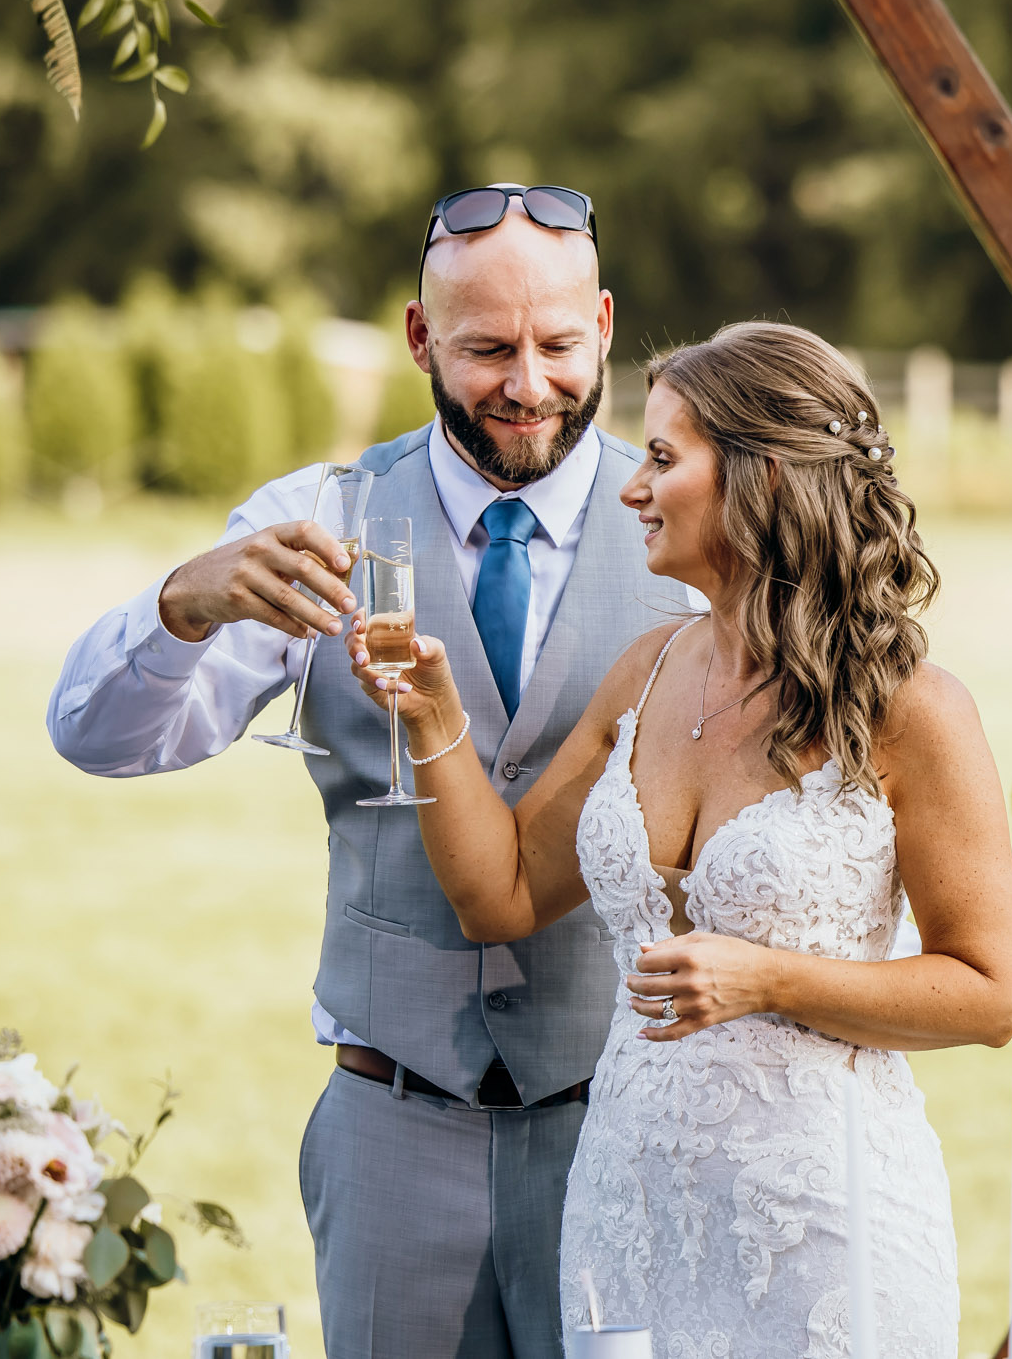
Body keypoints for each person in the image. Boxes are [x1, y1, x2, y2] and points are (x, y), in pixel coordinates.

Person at [47, 184, 697, 1359]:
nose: (527, 384)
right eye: (487, 348)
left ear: (603, 326)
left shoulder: (686, 528)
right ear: (418, 339)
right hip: (391, 1128)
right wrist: (180, 606)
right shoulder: (317, 517)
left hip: (629, 1134)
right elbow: (97, 737)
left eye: (556, 346)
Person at [350, 321, 1012, 1359]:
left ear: (760, 478)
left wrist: (766, 976)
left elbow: (989, 992)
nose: (630, 486)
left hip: (821, 1224)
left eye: (663, 458)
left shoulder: (910, 708)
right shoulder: (648, 670)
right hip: (627, 1213)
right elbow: (501, 898)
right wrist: (434, 716)